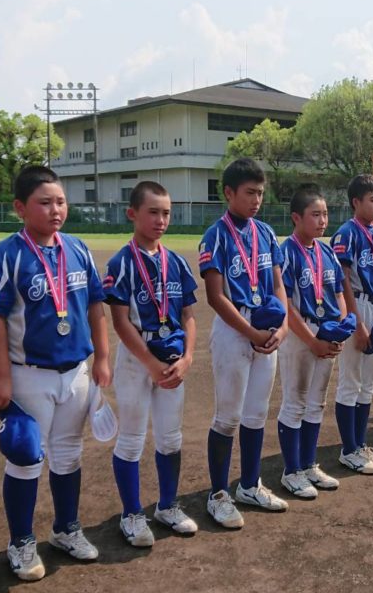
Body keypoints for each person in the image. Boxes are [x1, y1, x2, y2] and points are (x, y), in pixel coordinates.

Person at [0, 165, 111, 580]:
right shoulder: (5, 255)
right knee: (26, 458)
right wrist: (1, 377)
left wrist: (103, 357)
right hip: (28, 373)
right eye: (44, 202)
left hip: (76, 371)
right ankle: (21, 541)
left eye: (60, 202)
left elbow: (94, 306)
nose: (56, 210)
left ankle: (66, 528)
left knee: (69, 453)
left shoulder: (78, 248)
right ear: (20, 207)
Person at [104, 180, 199, 546]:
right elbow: (120, 320)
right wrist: (149, 365)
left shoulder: (175, 261)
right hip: (136, 361)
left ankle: (168, 505)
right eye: (153, 212)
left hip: (173, 359)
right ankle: (131, 514)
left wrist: (188, 357)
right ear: (133, 214)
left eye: (166, 213)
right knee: (131, 439)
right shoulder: (122, 262)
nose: (161, 220)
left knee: (171, 437)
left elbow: (189, 315)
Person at [198, 157, 290, 528]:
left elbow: (279, 284)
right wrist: (251, 332)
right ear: (229, 193)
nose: (256, 200)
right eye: (249, 193)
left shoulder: (266, 233)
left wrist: (281, 327)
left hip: (267, 327)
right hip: (234, 327)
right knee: (228, 416)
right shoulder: (215, 235)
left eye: (261, 194)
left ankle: (250, 484)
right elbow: (215, 297)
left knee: (256, 413)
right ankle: (218, 493)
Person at [276, 186, 347, 498]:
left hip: (325, 332)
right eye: (315, 214)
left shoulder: (327, 251)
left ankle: (308, 464)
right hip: (299, 334)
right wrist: (312, 340)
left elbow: (340, 294)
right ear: (296, 217)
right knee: (295, 401)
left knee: (317, 402)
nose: (322, 221)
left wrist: (339, 328)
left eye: (325, 214)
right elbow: (286, 305)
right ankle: (291, 471)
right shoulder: (286, 252)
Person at [330, 174, 373, 475]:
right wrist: (355, 323)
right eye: (372, 199)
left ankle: (360, 443)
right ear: (356, 202)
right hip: (357, 304)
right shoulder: (347, 233)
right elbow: (342, 280)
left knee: (368, 382)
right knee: (351, 380)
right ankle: (348, 449)